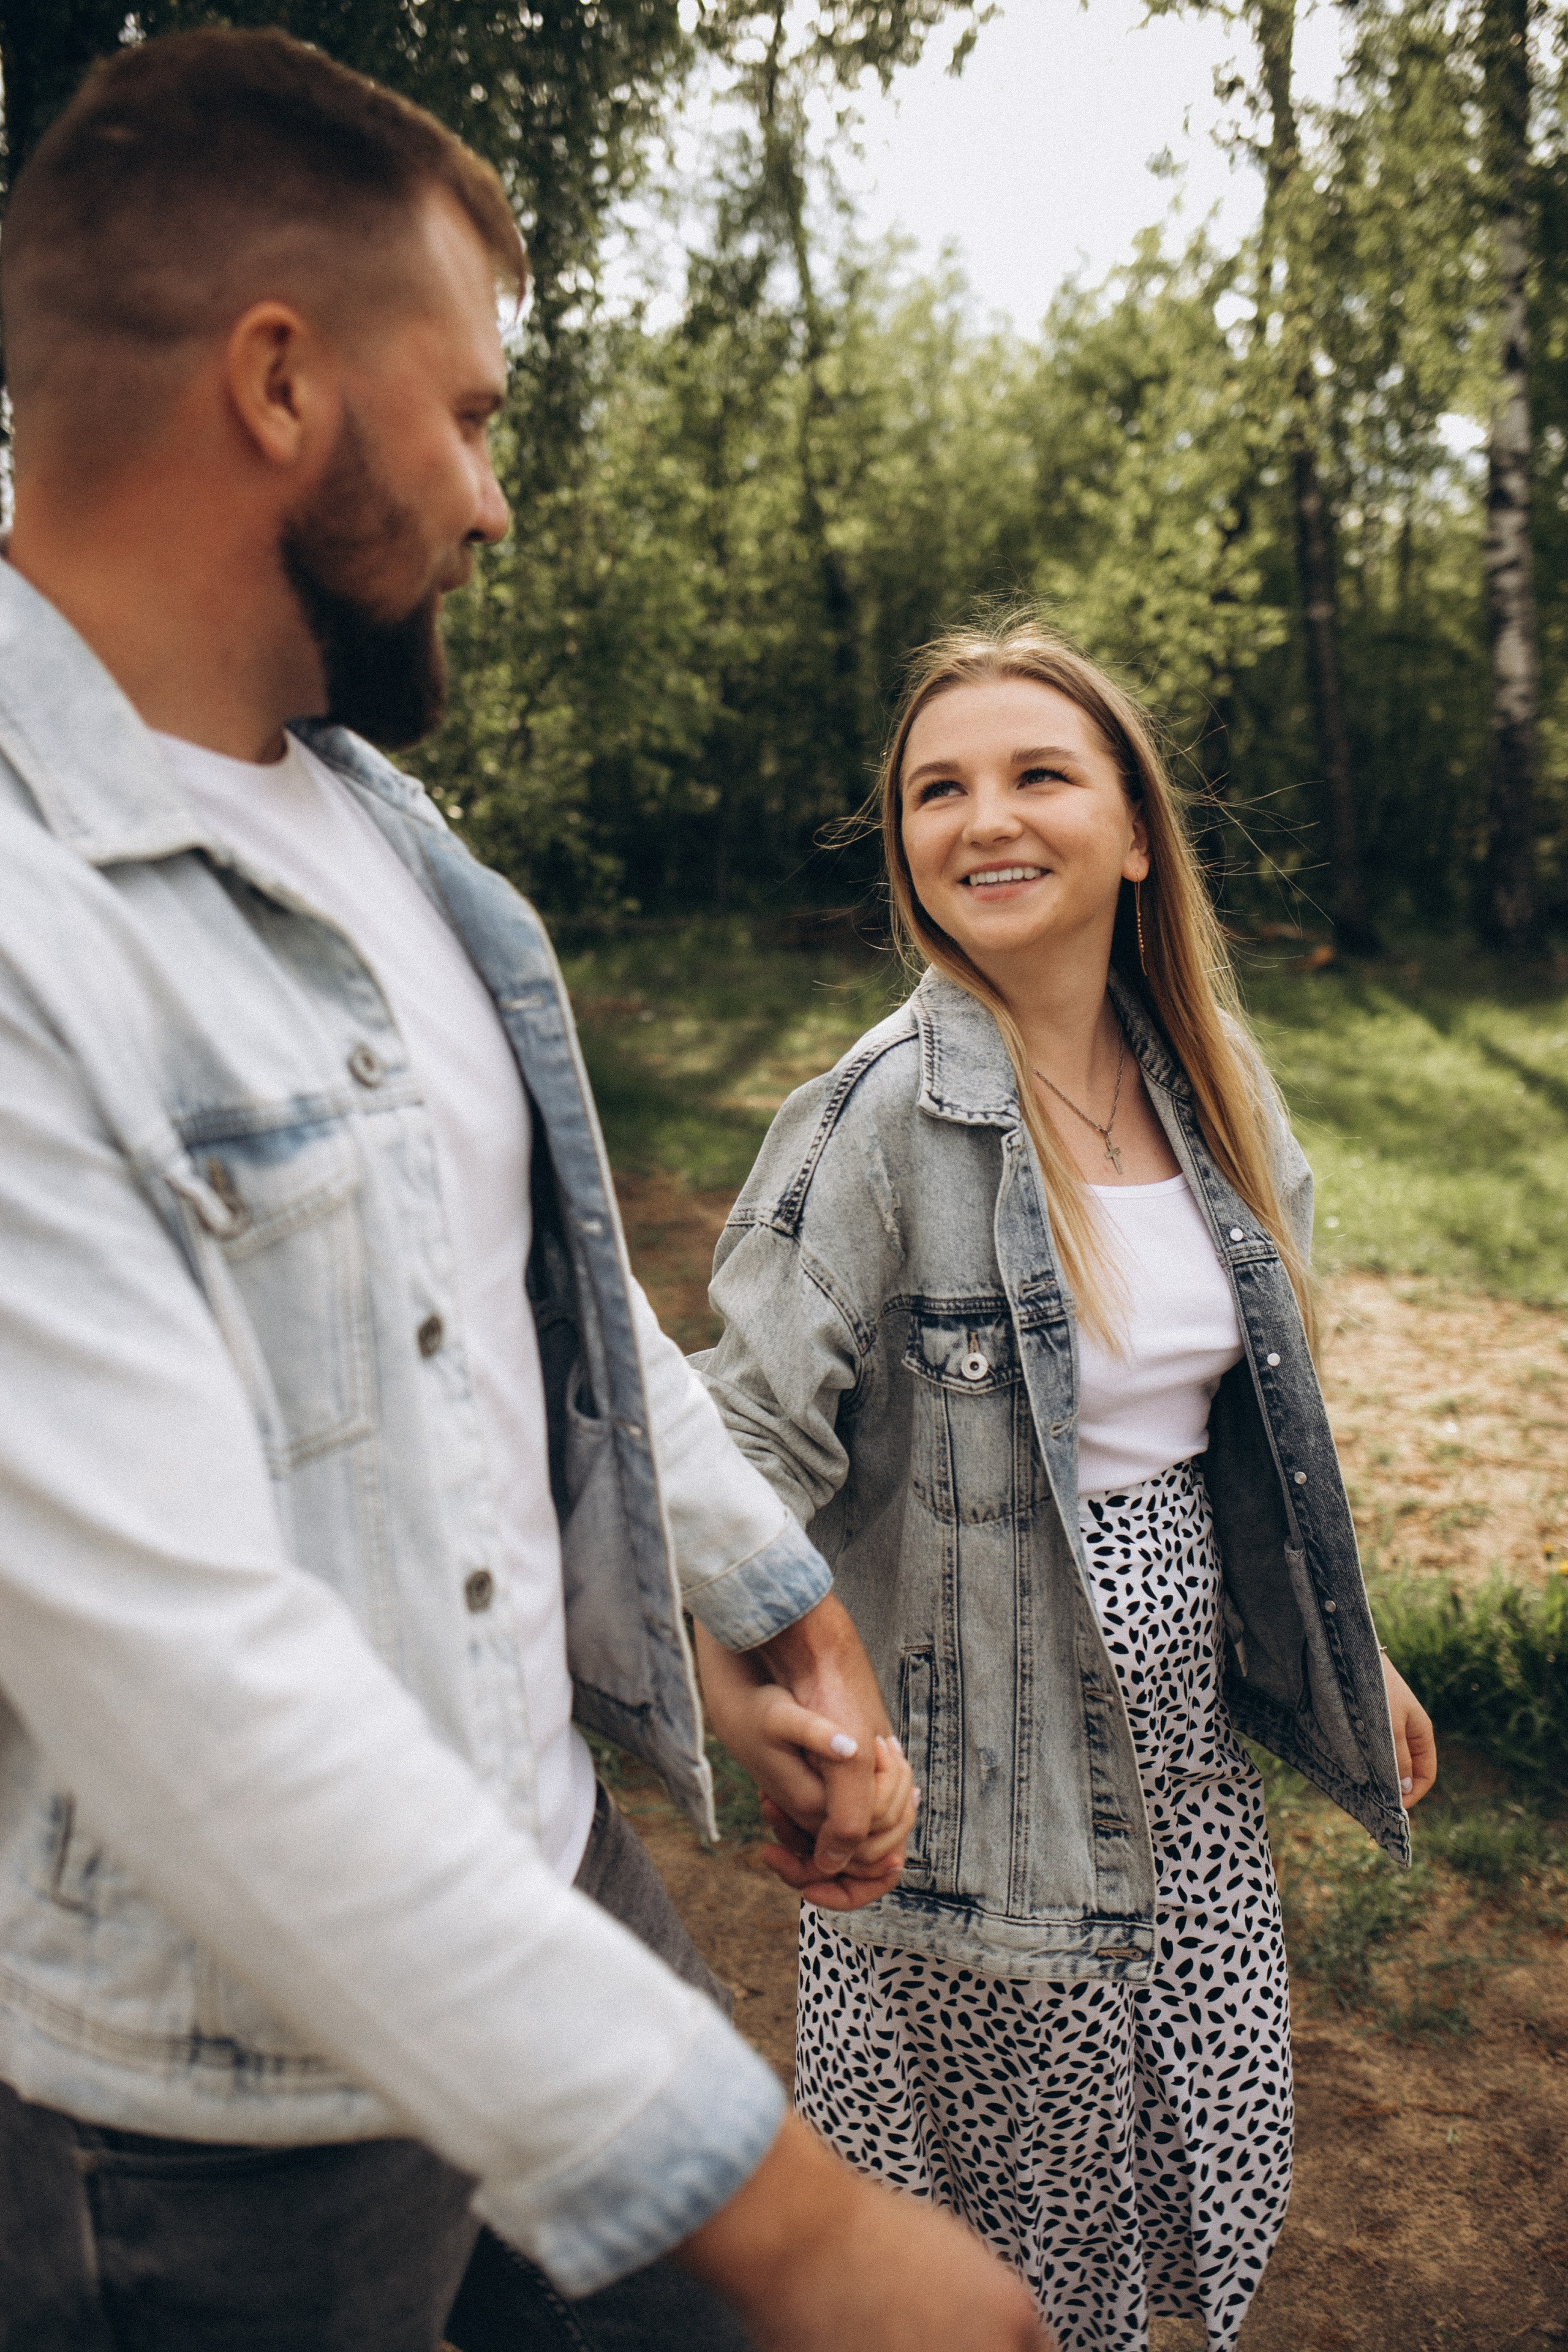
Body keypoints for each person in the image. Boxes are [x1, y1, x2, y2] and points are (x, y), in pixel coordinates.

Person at [0, 34, 1051, 2352]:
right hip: (216, 2126)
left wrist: (761, 1599)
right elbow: (184, 1675)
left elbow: (519, 1303)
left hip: (542, 1890)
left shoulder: (382, 836)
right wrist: (796, 2224)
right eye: (468, 414)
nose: (490, 498)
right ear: (279, 383)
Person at [692, 617, 1439, 2352]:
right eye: (936, 790)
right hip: (974, 1778)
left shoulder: (1217, 1089)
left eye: (1039, 773)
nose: (984, 819)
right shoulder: (879, 1114)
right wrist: (797, 1687)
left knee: (1172, 2169)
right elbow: (736, 1447)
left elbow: (1260, 1433)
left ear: (1133, 828)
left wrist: (1351, 1645)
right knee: (991, 2255)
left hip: (1183, 1770)